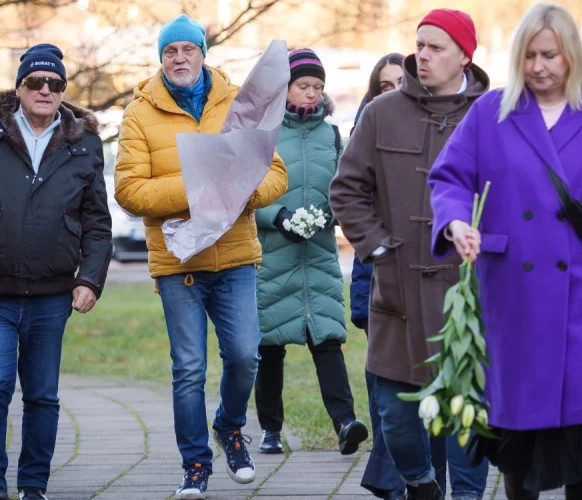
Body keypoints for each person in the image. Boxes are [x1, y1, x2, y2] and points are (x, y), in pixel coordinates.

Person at [427, 3, 582, 499]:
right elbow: (449, 178)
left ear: (572, 58)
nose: (538, 67)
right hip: (514, 292)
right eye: (529, 56)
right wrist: (456, 222)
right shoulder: (491, 112)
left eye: (550, 56)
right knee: (519, 437)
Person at [0, 43, 112, 500]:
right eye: (36, 82)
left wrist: (89, 279)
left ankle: (33, 486)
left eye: (55, 84)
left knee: (43, 395)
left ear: (64, 92)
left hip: (52, 297)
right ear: (20, 87)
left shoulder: (84, 143)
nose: (45, 90)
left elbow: (98, 222)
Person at [113, 14, 288, 500]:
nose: (180, 58)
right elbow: (128, 190)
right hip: (178, 264)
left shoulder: (237, 100)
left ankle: (229, 427)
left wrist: (239, 192)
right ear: (161, 59)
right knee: (188, 368)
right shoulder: (138, 113)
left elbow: (275, 173)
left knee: (245, 356)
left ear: (203, 53)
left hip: (234, 257)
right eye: (171, 52)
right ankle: (195, 465)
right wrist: (199, 183)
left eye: (188, 49)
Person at [330, 8, 491, 499]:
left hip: (468, 293)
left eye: (436, 47)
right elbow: (346, 191)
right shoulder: (382, 113)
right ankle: (421, 484)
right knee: (395, 418)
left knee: (467, 421)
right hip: (396, 291)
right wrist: (378, 248)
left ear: (464, 55)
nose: (422, 55)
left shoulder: (494, 115)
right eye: (419, 45)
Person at [253, 48, 368, 458]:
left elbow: (346, 186)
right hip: (272, 255)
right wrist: (277, 215)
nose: (312, 94)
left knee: (328, 339)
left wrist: (331, 212)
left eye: (318, 87)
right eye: (304, 86)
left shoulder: (331, 135)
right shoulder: (262, 131)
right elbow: (244, 193)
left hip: (317, 255)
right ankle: (269, 429)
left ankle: (345, 423)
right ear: (284, 88)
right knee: (269, 345)